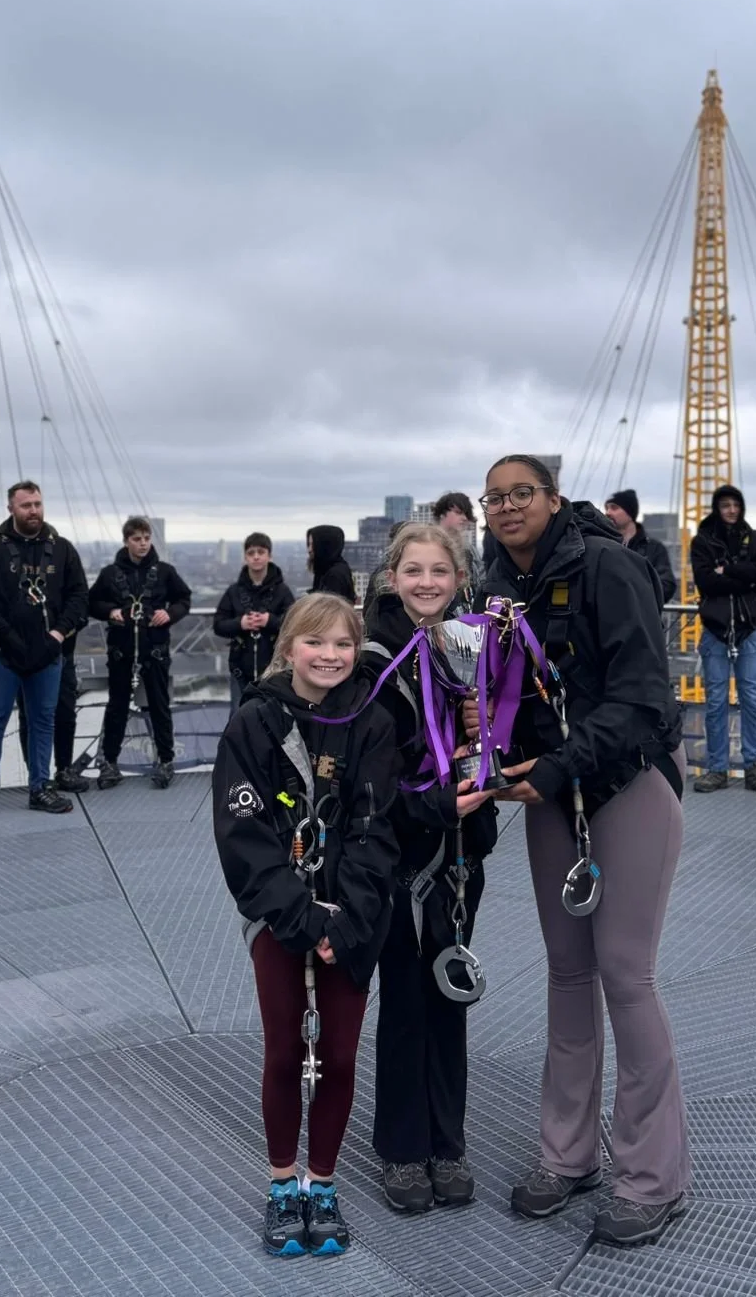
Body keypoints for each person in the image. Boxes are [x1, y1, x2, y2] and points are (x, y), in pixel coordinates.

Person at [478, 453, 691, 1249]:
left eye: (519, 493)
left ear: (554, 499)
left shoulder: (609, 567)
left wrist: (561, 764)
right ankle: (567, 1157)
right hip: (550, 797)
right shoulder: (497, 585)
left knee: (626, 978)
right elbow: (504, 698)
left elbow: (642, 699)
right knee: (568, 975)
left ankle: (652, 1178)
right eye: (493, 496)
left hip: (627, 784)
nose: (505, 507)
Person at [212, 593, 400, 1258]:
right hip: (278, 920)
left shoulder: (371, 725)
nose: (330, 656)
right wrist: (299, 917)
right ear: (288, 647)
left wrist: (341, 921)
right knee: (286, 1052)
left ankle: (323, 1183)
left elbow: (376, 830)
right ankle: (280, 1182)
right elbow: (245, 835)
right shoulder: (253, 726)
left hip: (353, 919)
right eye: (315, 643)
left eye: (343, 645)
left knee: (342, 1055)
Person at [360, 522, 498, 1214]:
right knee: (406, 999)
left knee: (451, 990)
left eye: (438, 571)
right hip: (402, 851)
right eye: (413, 571)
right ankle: (404, 1149)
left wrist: (484, 734)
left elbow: (494, 743)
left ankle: (449, 1140)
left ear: (458, 579)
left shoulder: (469, 646)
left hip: (459, 853)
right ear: (392, 576)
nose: (425, 583)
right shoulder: (372, 656)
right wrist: (435, 803)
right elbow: (369, 769)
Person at [0, 481, 86, 822]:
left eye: (38, 504)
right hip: (3, 652)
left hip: (48, 653)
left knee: (43, 720)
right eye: (26, 505)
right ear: (11, 509)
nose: (33, 510)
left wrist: (58, 634)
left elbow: (79, 597)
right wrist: (6, 635)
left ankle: (40, 787)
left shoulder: (61, 550)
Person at [689, 484, 756, 795]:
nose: (731, 510)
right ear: (717, 508)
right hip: (716, 631)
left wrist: (728, 569)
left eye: (735, 504)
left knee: (752, 701)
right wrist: (745, 577)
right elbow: (706, 582)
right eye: (725, 505)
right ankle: (718, 769)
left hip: (748, 630)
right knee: (716, 704)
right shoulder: (702, 542)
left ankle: (754, 767)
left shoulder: (755, 539)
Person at [89, 516, 192, 787]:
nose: (143, 543)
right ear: (126, 542)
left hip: (154, 649)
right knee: (117, 707)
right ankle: (109, 763)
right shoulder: (110, 574)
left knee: (159, 705)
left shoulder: (165, 572)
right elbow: (92, 603)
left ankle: (166, 760)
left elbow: (184, 599)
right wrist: (110, 611)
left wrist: (168, 614)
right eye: (137, 539)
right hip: (122, 651)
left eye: (146, 538)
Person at [213, 532, 294, 711]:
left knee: (274, 716)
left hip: (274, 668)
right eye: (251, 553)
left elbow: (295, 624)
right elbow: (218, 625)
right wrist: (240, 624)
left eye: (261, 552)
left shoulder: (282, 591)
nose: (256, 557)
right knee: (238, 716)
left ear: (269, 556)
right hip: (240, 667)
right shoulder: (234, 592)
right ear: (245, 558)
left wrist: (270, 621)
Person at [604, 490, 676, 610]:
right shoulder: (603, 545)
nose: (608, 513)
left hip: (643, 622)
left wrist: (629, 594)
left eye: (614, 508)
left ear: (630, 513)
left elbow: (667, 586)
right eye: (606, 508)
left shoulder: (654, 548)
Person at [431, 491, 482, 594]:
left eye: (466, 514)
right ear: (442, 514)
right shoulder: (425, 543)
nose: (464, 518)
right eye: (458, 512)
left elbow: (480, 582)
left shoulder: (469, 550)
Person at [306, 525, 356, 602]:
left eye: (313, 545)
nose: (309, 550)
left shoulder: (335, 575)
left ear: (324, 546)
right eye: (309, 544)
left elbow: (329, 609)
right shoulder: (324, 571)